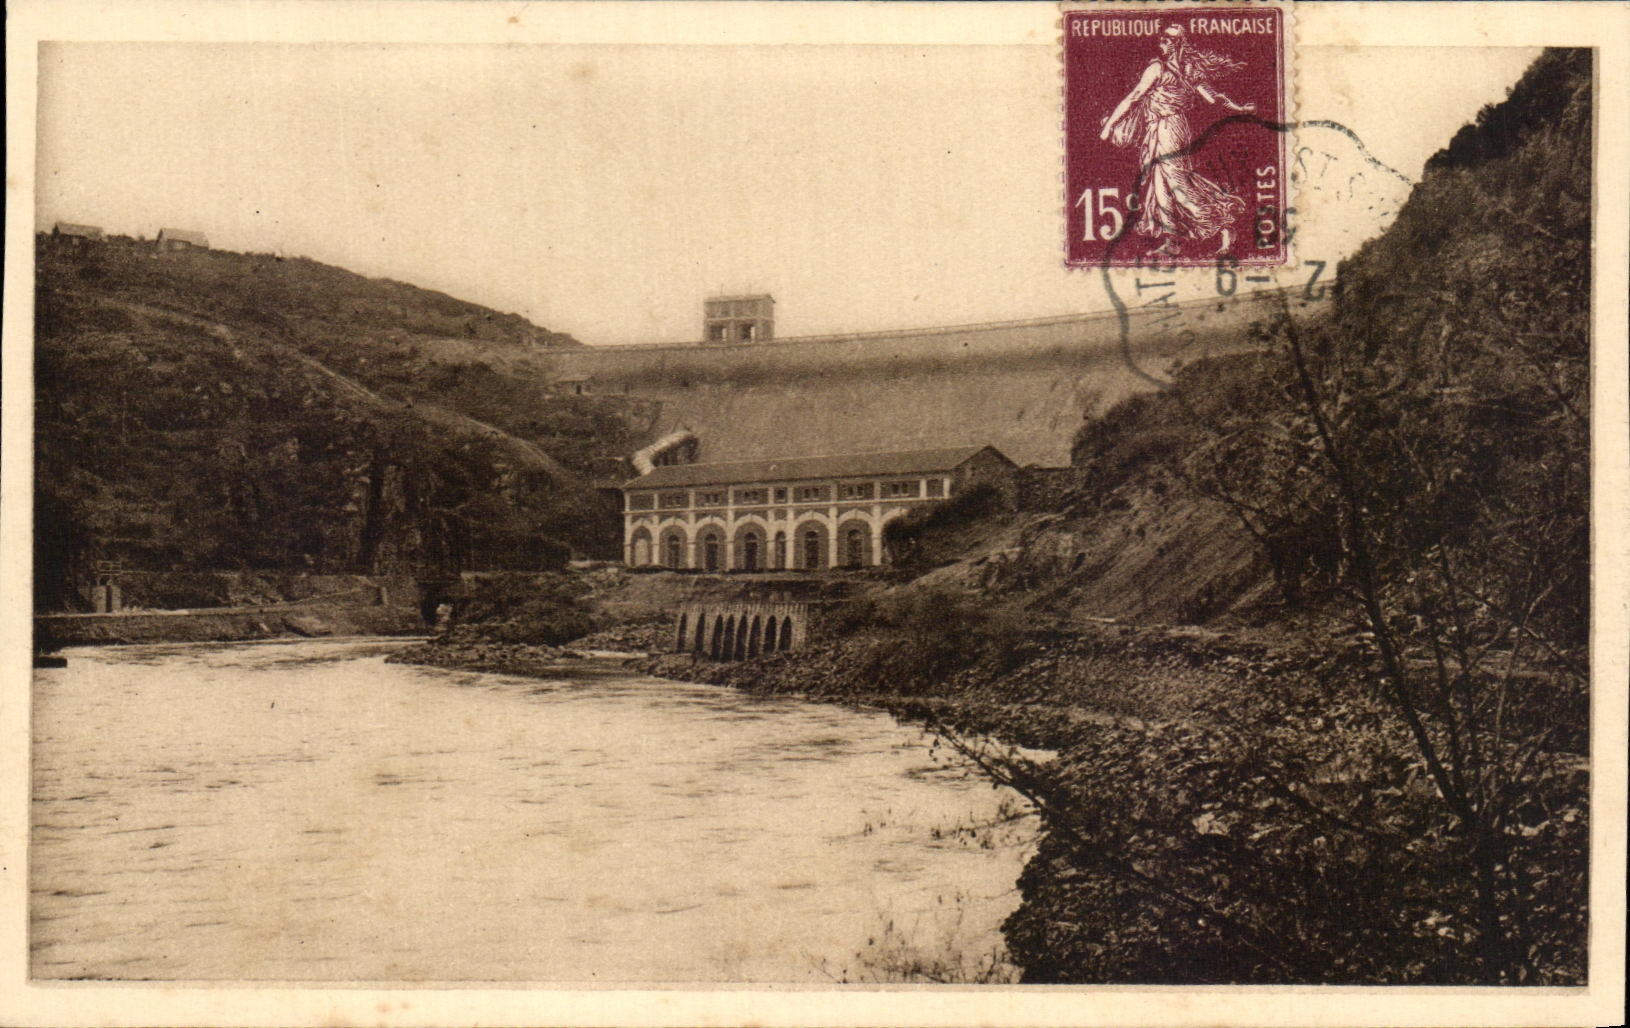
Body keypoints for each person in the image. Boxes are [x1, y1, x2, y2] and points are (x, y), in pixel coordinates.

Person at [1099, 24, 1256, 256]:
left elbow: (1134, 97)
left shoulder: (1161, 68)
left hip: (1168, 128)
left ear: (1177, 43)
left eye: (1168, 39)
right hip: (1167, 128)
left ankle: (1223, 226)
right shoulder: (1181, 69)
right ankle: (1172, 241)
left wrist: (1110, 125)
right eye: (1162, 38)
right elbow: (1213, 98)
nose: (1162, 42)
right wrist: (1238, 106)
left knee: (1175, 181)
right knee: (1161, 182)